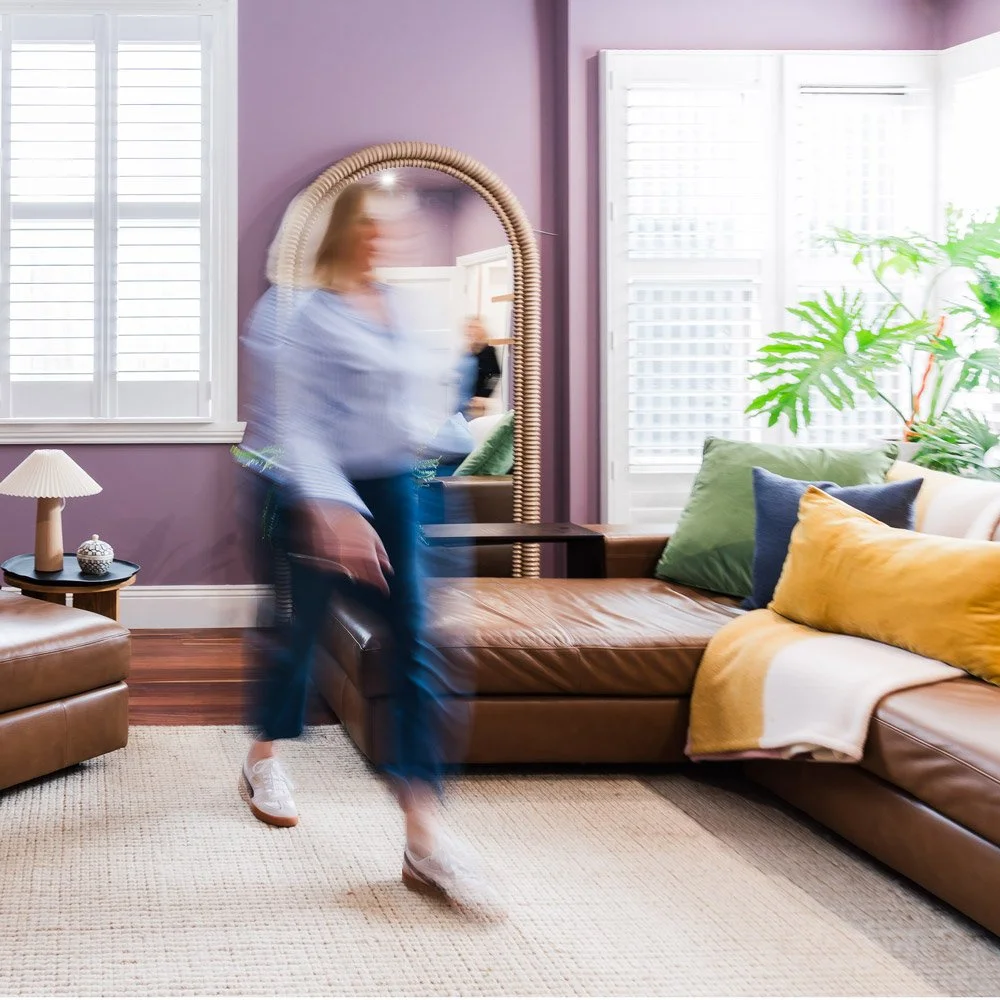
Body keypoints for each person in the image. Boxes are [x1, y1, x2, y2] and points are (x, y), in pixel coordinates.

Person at [237, 181, 497, 914]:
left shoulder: (411, 311)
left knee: (417, 647)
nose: (385, 237)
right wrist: (332, 509)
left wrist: (443, 449)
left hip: (398, 492)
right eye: (371, 226)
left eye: (395, 226)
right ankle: (263, 758)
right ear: (343, 233)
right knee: (296, 633)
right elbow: (295, 424)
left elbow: (432, 404)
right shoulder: (294, 316)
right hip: (307, 491)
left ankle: (424, 839)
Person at [462, 316, 501, 419]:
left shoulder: (488, 350)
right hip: (463, 399)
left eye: (474, 327)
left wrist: (482, 396)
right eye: (469, 327)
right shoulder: (468, 350)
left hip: (475, 403)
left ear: (481, 330)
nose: (471, 330)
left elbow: (495, 374)